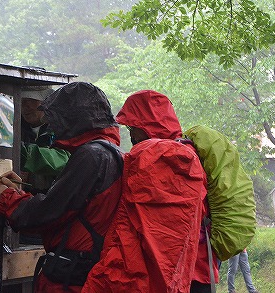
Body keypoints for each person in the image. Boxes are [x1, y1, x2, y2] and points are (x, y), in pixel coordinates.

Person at [0, 82, 123, 293]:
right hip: (82, 270)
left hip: (73, 275)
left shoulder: (92, 156)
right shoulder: (109, 152)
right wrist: (20, 193)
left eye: (58, 119)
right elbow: (70, 205)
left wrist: (9, 199)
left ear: (73, 119)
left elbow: (51, 211)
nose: (54, 126)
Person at [83, 90, 218, 293]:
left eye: (133, 127)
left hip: (160, 274)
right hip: (195, 268)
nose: (131, 134)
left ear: (146, 125)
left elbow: (143, 227)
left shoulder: (153, 157)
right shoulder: (188, 153)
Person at [20, 85, 70, 194]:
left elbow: (62, 161)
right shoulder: (14, 128)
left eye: (30, 100)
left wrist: (24, 153)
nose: (25, 106)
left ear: (46, 102)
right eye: (22, 100)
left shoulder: (61, 130)